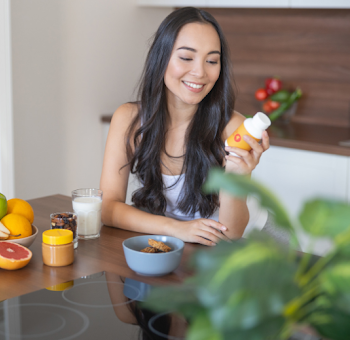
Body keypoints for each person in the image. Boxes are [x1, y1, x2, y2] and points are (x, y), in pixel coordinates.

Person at [100, 7, 270, 245]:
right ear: (162, 57)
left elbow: (231, 233)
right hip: (182, 242)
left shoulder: (233, 128)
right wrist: (176, 229)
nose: (200, 72)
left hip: (252, 244)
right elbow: (108, 209)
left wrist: (237, 175)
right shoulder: (128, 119)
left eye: (211, 60)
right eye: (186, 57)